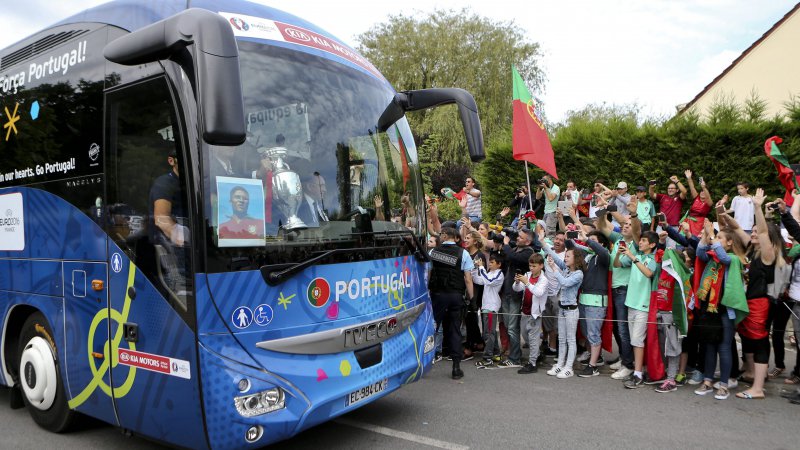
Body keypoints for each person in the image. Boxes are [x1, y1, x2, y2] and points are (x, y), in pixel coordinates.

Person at [725, 188, 780, 399]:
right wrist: (722, 213)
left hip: (759, 304)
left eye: (756, 232)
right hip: (747, 302)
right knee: (747, 338)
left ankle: (758, 388)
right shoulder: (752, 249)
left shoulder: (767, 253)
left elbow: (765, 232)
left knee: (758, 342)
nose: (754, 233)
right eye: (753, 231)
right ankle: (749, 373)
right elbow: (737, 227)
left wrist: (757, 208)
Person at [693, 219, 748, 400]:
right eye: (716, 238)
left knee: (724, 347)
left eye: (720, 238)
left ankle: (724, 384)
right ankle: (708, 381)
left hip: (725, 310)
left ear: (730, 243)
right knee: (709, 346)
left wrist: (712, 236)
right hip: (710, 309)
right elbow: (700, 253)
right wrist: (705, 235)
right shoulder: (712, 256)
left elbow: (724, 258)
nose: (715, 240)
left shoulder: (733, 258)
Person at [428, 227, 474, 380]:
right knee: (455, 330)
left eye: (441, 234)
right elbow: (468, 279)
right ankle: (456, 367)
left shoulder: (433, 252)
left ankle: (424, 362)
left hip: (438, 295)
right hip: (455, 295)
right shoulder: (464, 253)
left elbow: (428, 275)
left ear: (446, 236)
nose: (439, 236)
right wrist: (471, 298)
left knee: (431, 328)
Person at [617, 231, 660, 389]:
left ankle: (638, 374)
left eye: (643, 240)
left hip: (643, 305)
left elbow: (649, 273)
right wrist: (620, 254)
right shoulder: (639, 258)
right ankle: (637, 371)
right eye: (640, 240)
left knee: (637, 340)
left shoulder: (653, 259)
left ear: (652, 244)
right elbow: (617, 264)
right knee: (635, 340)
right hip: (631, 303)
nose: (640, 243)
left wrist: (633, 257)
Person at [543, 242, 586, 379]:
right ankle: (560, 364)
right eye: (565, 256)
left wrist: (553, 269)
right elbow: (555, 257)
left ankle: (569, 367)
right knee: (561, 338)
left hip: (571, 310)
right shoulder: (566, 269)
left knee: (570, 339)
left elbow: (565, 283)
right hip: (562, 308)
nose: (565, 258)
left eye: (568, 256)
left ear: (576, 258)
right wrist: (543, 242)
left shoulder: (578, 274)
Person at [572, 230, 611, 377]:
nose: (588, 241)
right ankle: (594, 357)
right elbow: (572, 246)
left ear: (601, 244)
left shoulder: (604, 256)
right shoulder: (588, 256)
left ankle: (593, 366)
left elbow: (601, 251)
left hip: (596, 301)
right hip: (584, 299)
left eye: (593, 240)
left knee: (593, 334)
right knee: (587, 333)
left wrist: (587, 240)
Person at [497, 228, 536, 368]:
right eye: (518, 236)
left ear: (528, 241)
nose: (517, 238)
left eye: (521, 237)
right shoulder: (516, 248)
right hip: (507, 292)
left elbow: (514, 258)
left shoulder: (528, 252)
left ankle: (515, 358)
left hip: (516, 295)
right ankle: (514, 353)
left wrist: (506, 244)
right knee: (508, 326)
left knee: (513, 327)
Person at [514, 253, 549, 374]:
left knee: (533, 339)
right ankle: (538, 354)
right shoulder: (527, 275)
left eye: (534, 266)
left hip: (535, 314)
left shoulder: (544, 280)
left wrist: (527, 282)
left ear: (541, 266)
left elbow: (538, 292)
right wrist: (518, 282)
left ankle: (532, 363)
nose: (531, 268)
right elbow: (517, 289)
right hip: (525, 311)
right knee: (525, 336)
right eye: (530, 266)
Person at [149, 149, 188, 246]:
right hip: (171, 246)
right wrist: (184, 239)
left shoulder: (193, 184)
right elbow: (161, 219)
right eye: (184, 159)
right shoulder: (164, 183)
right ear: (171, 161)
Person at [473, 253, 505, 369]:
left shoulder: (499, 274)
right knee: (490, 332)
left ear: (499, 264)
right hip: (486, 306)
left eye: (492, 262)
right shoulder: (490, 273)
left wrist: (481, 267)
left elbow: (489, 281)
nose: (490, 264)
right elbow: (479, 280)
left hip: (491, 307)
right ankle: (496, 354)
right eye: (489, 262)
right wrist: (474, 268)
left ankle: (487, 358)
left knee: (488, 333)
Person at [681, 170, 713, 237]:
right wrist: (689, 178)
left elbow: (708, 198)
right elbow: (692, 188)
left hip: (700, 224)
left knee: (696, 239)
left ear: (708, 194)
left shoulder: (708, 203)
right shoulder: (696, 198)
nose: (702, 192)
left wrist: (704, 187)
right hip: (689, 222)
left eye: (704, 191)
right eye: (701, 191)